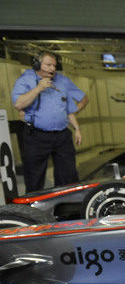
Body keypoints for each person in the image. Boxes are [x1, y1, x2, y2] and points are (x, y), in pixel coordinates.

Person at [11, 50, 89, 192]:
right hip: (37, 135)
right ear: (37, 64)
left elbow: (68, 110)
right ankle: (32, 212)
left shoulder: (62, 81)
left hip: (62, 136)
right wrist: (38, 88)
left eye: (54, 65)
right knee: (35, 177)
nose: (52, 69)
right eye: (48, 65)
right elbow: (18, 104)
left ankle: (67, 209)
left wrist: (77, 129)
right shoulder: (26, 80)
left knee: (69, 175)